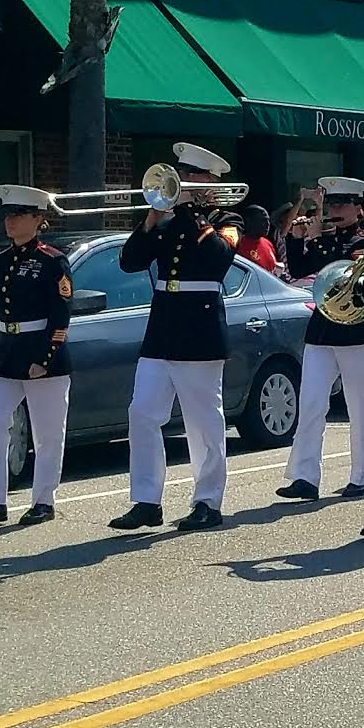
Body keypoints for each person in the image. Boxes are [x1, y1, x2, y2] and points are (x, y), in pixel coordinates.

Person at [111, 143, 242, 531]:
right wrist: (153, 216)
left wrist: (191, 214)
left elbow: (219, 258)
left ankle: (207, 501)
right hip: (162, 326)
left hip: (200, 326)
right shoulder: (165, 219)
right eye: (181, 174)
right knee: (142, 413)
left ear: (211, 183)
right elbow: (130, 261)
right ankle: (147, 500)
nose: (183, 181)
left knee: (202, 421)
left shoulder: (226, 218)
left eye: (192, 176)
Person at [0, 186, 73, 527]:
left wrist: (47, 356)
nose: (10, 221)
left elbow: (61, 312)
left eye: (18, 215)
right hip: (5, 353)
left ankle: (43, 500)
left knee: (47, 432)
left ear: (38, 219)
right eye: (7, 214)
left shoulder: (52, 260)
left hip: (39, 353)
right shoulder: (2, 260)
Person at [276, 176, 364, 502]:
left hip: (357, 330)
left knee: (359, 404)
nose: (337, 210)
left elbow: (355, 273)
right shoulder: (324, 241)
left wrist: (320, 235)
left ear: (358, 209)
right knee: (311, 402)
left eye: (343, 205)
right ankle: (305, 476)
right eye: (332, 204)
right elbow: (298, 269)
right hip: (322, 329)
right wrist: (297, 238)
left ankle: (363, 474)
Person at [235, 205, 281, 274]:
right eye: (263, 220)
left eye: (268, 220)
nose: (267, 224)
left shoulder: (268, 243)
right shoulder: (238, 246)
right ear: (249, 221)